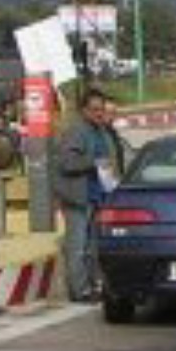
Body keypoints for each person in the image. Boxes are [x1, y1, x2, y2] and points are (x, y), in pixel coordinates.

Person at [57, 89, 128, 303]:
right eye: (94, 109)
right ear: (83, 110)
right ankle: (79, 291)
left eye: (101, 109)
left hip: (99, 197)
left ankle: (91, 286)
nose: (98, 113)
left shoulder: (103, 132)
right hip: (79, 198)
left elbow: (113, 161)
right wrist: (94, 162)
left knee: (92, 247)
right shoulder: (76, 132)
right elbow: (67, 163)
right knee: (77, 247)